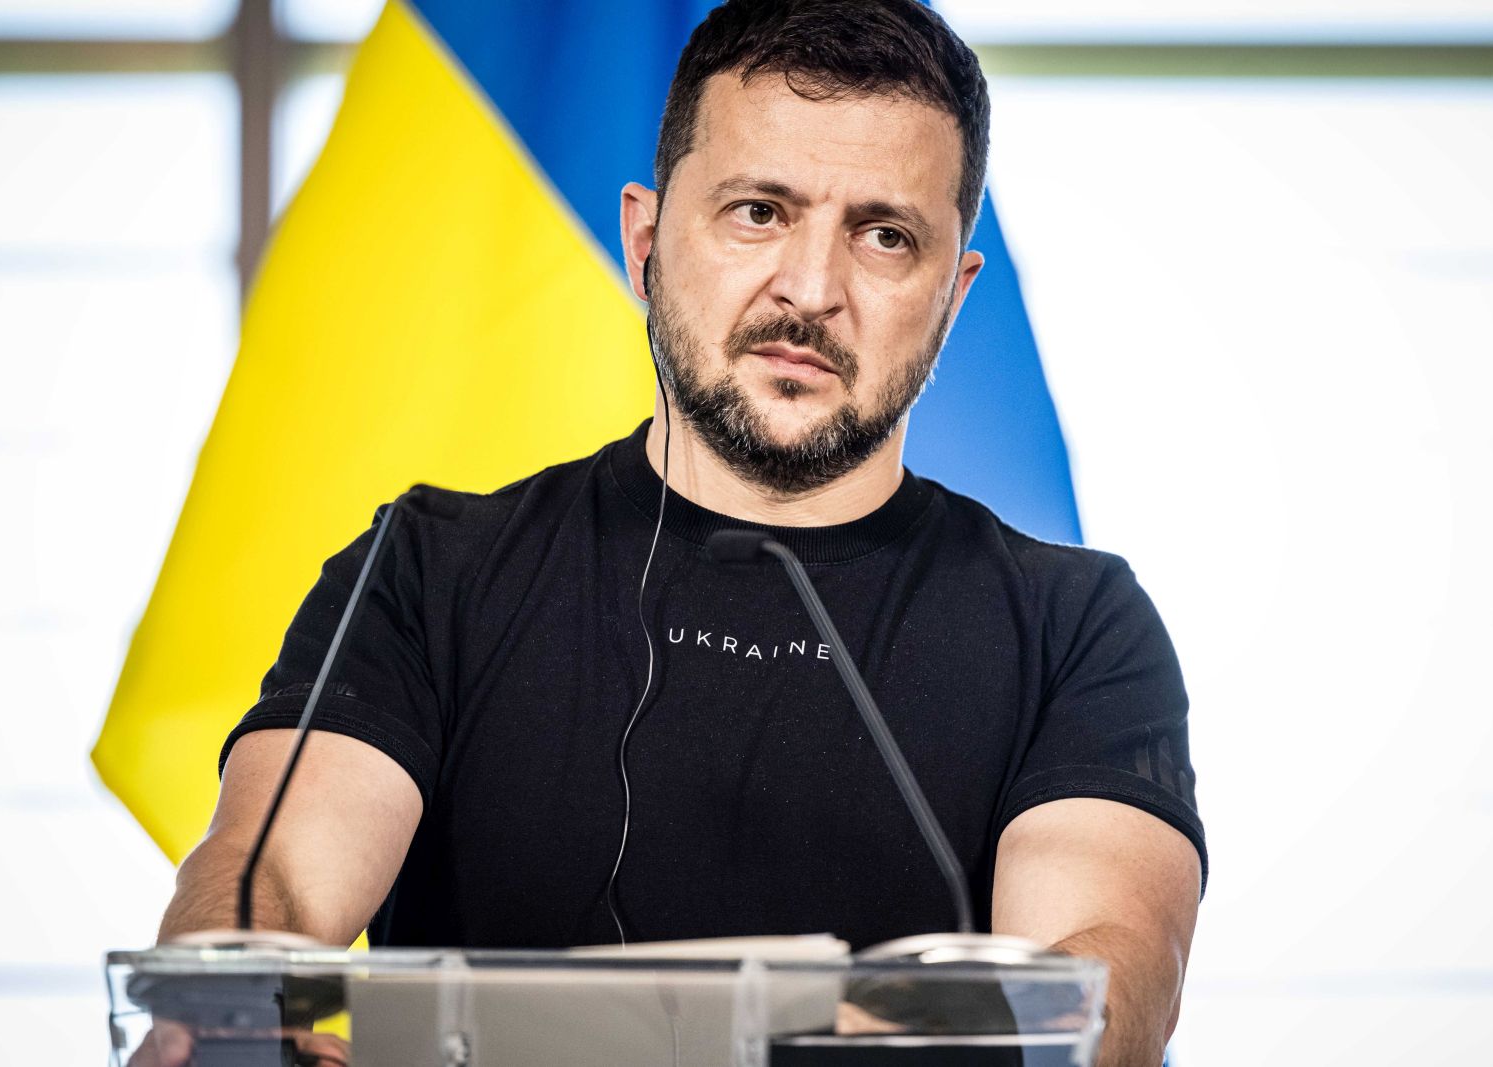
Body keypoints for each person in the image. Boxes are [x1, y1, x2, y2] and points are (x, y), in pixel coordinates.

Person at [157, 1, 1205, 1063]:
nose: (809, 289)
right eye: (758, 212)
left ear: (950, 295)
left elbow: (1098, 981)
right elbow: (268, 875)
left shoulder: (1076, 623)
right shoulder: (429, 569)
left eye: (884, 236)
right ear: (645, 242)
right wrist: (229, 1016)